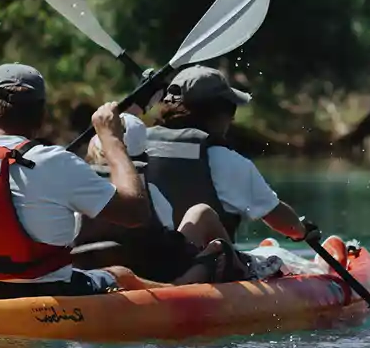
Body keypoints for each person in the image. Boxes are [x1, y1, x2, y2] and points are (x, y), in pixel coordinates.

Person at [0, 63, 156, 301]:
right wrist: (111, 140)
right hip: (41, 300)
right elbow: (135, 212)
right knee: (120, 275)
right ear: (41, 116)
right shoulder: (57, 162)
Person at [73, 112, 257, 284]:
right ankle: (242, 270)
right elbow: (166, 233)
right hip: (154, 274)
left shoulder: (76, 191)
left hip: (90, 274)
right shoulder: (147, 192)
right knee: (202, 214)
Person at [144, 65, 305, 242]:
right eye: (231, 110)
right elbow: (283, 222)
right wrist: (302, 231)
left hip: (143, 262)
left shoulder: (131, 148)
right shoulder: (227, 161)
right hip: (204, 265)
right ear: (219, 114)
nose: (232, 119)